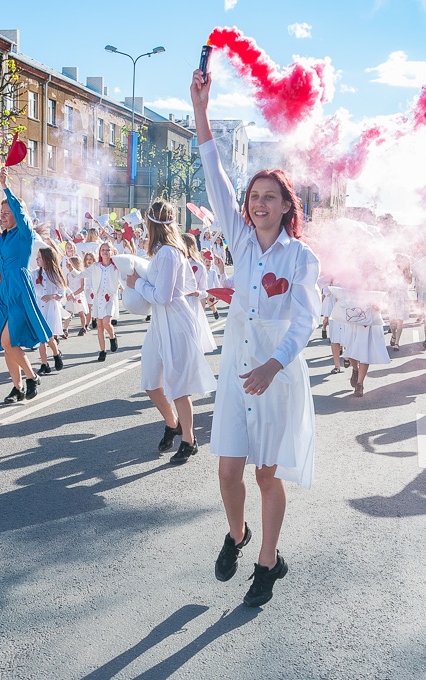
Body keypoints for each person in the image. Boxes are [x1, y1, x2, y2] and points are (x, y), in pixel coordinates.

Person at [193, 68, 321, 607]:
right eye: (254, 197)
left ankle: (267, 561)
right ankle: (238, 533)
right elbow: (214, 175)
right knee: (228, 470)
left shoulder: (300, 258)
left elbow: (304, 320)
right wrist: (200, 110)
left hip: (275, 374)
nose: (259, 203)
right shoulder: (241, 241)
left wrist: (274, 365)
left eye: (271, 197)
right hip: (236, 370)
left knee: (267, 471)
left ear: (288, 206)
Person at [127, 201, 217, 463]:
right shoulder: (163, 252)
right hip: (160, 323)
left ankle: (189, 441)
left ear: (152, 223)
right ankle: (173, 423)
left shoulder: (168, 253)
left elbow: (163, 296)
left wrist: (138, 283)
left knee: (178, 386)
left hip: (175, 323)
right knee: (151, 381)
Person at [0, 169, 50, 404]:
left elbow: (23, 215)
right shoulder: (2, 239)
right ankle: (17, 387)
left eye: (7, 213)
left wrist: (5, 186)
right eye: (1, 213)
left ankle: (32, 377)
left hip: (18, 291)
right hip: (0, 294)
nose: (2, 216)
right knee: (7, 344)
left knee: (6, 341)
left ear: (16, 214)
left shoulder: (24, 234)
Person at [86, 242, 121, 361]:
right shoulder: (96, 266)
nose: (105, 252)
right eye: (103, 250)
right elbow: (83, 274)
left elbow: (123, 280)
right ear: (100, 252)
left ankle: (112, 336)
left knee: (106, 322)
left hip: (110, 297)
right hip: (98, 297)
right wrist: (72, 270)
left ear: (112, 251)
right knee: (100, 326)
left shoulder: (116, 266)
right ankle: (102, 351)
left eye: (107, 250)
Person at [32, 246, 65, 374]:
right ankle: (44, 364)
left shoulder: (54, 274)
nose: (37, 259)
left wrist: (52, 296)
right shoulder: (34, 273)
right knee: (42, 337)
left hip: (51, 308)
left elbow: (62, 292)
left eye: (39, 257)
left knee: (49, 335)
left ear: (46, 258)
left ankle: (56, 354)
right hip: (39, 308)